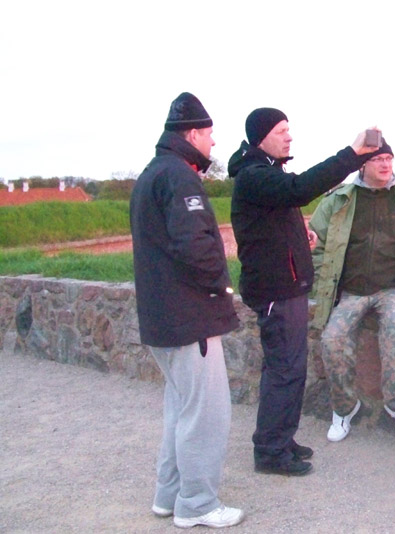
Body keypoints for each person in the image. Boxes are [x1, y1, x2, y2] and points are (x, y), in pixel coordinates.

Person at [228, 108, 379, 476]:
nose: (289, 137)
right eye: (282, 130)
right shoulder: (254, 175)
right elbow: (299, 190)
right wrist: (351, 154)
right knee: (285, 371)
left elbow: (277, 216)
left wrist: (301, 236)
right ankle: (270, 451)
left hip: (285, 286)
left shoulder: (267, 171)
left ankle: (280, 438)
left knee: (287, 369)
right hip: (276, 290)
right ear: (261, 136)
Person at [130, 92, 244, 528]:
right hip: (189, 318)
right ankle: (197, 504)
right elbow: (196, 247)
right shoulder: (180, 177)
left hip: (163, 317)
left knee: (180, 409)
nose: (213, 143)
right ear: (192, 134)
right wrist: (221, 287)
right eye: (210, 134)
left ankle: (169, 494)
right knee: (206, 414)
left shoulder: (153, 173)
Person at [308, 138, 395, 442]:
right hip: (351, 291)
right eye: (378, 159)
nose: (385, 164)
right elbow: (316, 242)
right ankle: (344, 408)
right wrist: (324, 277)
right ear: (362, 165)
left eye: (389, 158)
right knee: (331, 340)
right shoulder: (339, 200)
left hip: (392, 289)